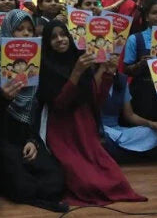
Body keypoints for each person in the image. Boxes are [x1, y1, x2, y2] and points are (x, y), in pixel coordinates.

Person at [37, 20, 146, 205]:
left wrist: (107, 73)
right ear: (47, 43)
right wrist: (76, 72)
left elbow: (96, 99)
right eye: (54, 37)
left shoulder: (79, 59)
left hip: (85, 128)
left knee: (115, 179)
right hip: (63, 132)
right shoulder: (46, 67)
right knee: (86, 182)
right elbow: (60, 104)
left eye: (63, 35)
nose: (60, 40)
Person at [0, 10, 66, 212]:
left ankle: (32, 190)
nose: (26, 34)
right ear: (7, 31)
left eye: (30, 30)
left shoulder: (36, 65)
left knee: (57, 181)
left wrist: (31, 140)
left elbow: (37, 111)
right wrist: (4, 99)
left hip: (25, 135)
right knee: (20, 186)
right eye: (19, 29)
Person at [123, 0, 157, 123]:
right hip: (142, 92)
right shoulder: (135, 39)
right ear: (147, 17)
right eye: (155, 12)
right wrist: (139, 65)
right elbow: (126, 69)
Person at [101, 71, 157, 163]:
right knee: (103, 140)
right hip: (99, 128)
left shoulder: (121, 80)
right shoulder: (93, 79)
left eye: (116, 56)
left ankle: (118, 155)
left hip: (116, 129)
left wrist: (151, 124)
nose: (113, 58)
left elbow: (130, 115)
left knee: (153, 133)